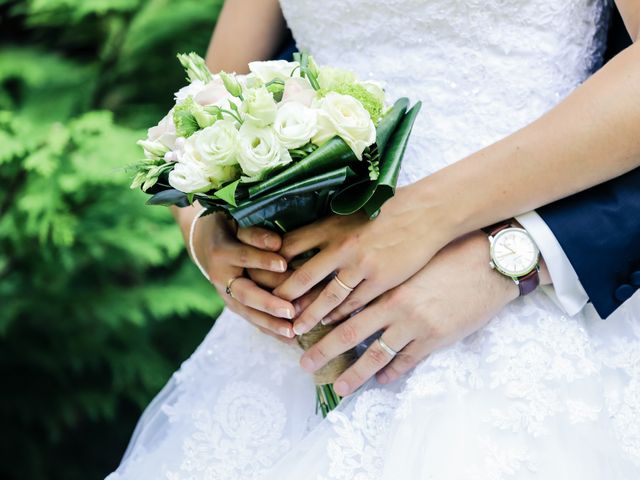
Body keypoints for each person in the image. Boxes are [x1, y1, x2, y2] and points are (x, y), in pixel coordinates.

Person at [108, 1, 640, 478]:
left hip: (536, 314)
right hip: (301, 331)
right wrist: (209, 232)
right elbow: (207, 103)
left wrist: (443, 225)